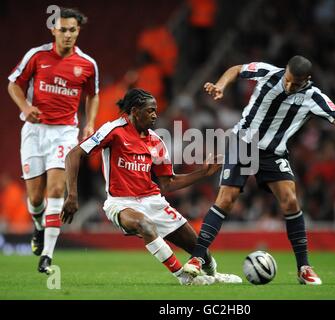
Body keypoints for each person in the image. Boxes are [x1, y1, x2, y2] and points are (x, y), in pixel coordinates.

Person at [184, 56, 335, 285]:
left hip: (273, 153)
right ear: (285, 71)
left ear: (307, 80)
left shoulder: (314, 97)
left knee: (290, 201)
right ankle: (196, 259)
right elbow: (236, 69)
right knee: (226, 199)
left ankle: (304, 268)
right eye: (288, 80)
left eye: (295, 84)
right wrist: (220, 86)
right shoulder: (267, 72)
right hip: (243, 142)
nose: (289, 86)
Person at [61, 88, 242, 285]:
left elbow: (168, 182)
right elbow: (74, 155)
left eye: (155, 110)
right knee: (144, 225)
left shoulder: (156, 141)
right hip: (121, 203)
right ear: (134, 110)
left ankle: (214, 275)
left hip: (153, 201)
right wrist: (71, 195)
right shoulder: (114, 131)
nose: (155, 115)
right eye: (150, 110)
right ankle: (184, 277)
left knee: (200, 249)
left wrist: (203, 173)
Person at [7, 8, 99, 274]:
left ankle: (47, 255)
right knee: (35, 198)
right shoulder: (36, 56)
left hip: (65, 132)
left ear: (78, 31)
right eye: (63, 29)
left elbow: (93, 95)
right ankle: (38, 227)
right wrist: (25, 106)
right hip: (35, 132)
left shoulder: (87, 64)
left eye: (73, 30)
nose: (68, 34)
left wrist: (90, 122)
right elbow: (13, 84)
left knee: (56, 190)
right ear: (54, 30)